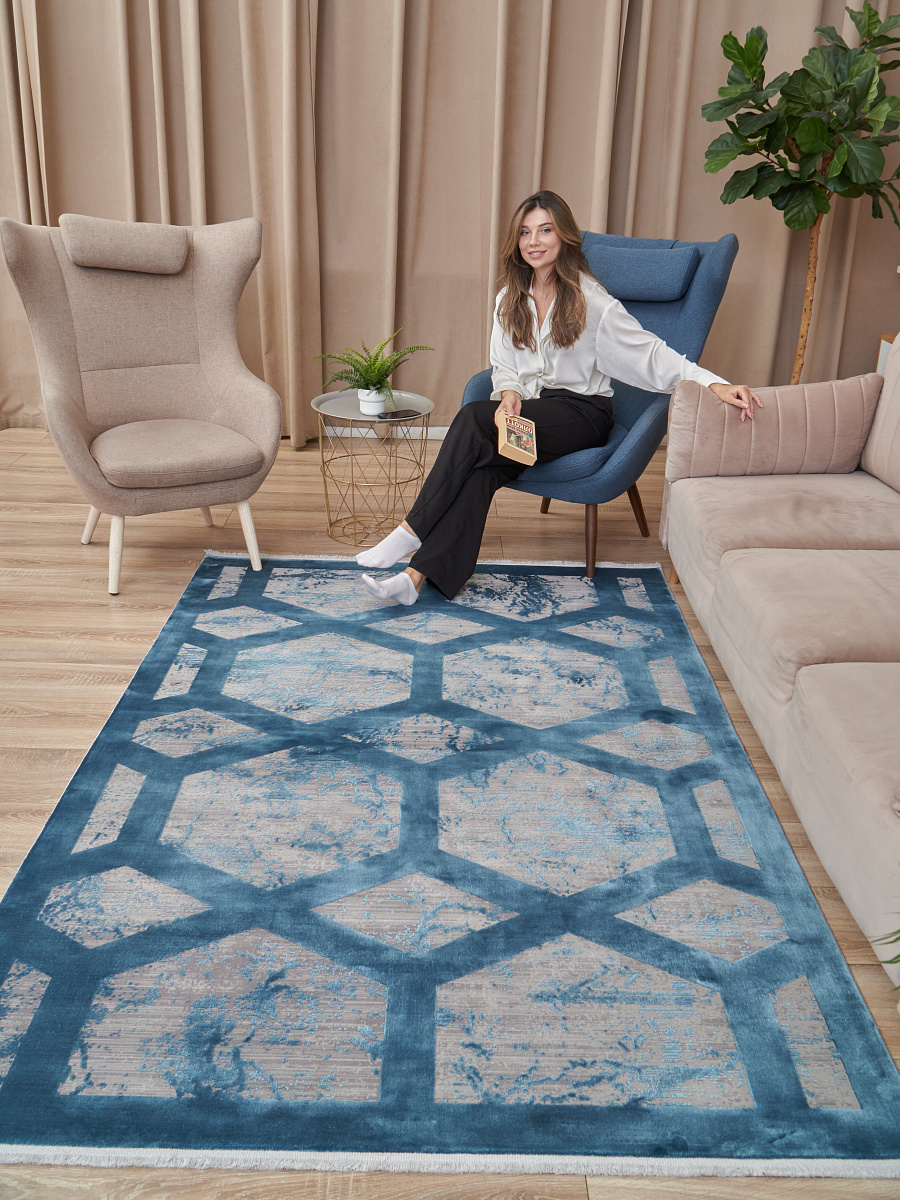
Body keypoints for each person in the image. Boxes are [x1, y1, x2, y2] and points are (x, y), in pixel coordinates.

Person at [358, 190, 761, 605]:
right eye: (525, 232)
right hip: (533, 416)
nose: (534, 241)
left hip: (582, 417)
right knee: (483, 469)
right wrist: (509, 392)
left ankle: (410, 530)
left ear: (564, 236)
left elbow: (651, 354)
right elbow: (503, 364)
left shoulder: (593, 301)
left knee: (474, 419)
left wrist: (713, 383)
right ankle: (414, 578)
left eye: (545, 230)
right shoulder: (509, 298)